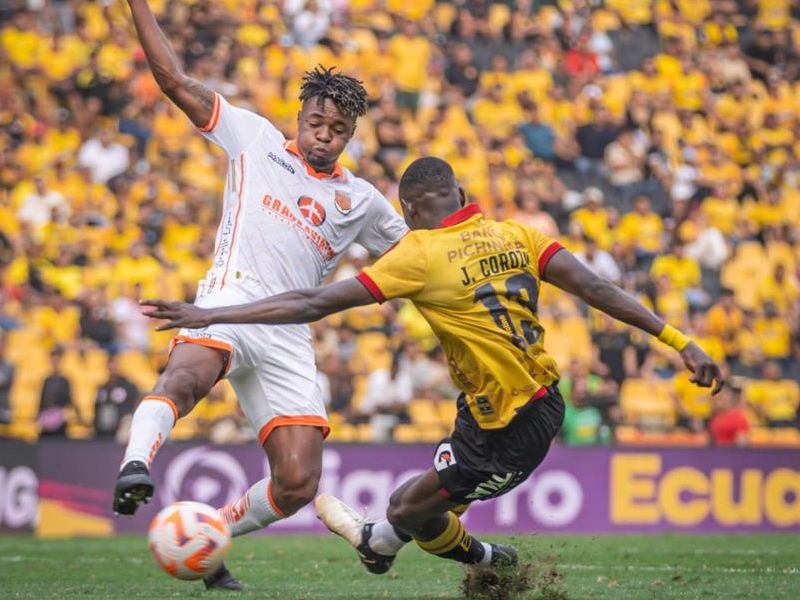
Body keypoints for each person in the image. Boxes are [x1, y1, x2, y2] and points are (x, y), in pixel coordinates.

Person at [143, 157, 723, 577]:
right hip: (496, 406)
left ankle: (475, 560)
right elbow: (597, 287)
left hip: (515, 429)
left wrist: (210, 312)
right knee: (416, 512)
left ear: (410, 210)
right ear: (461, 191)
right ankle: (396, 545)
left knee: (407, 510)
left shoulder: (419, 253)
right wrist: (679, 341)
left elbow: (313, 303)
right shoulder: (516, 233)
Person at [116, 0, 407, 590]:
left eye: (338, 132)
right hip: (227, 299)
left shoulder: (363, 201)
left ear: (351, 135)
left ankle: (212, 534)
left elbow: (419, 257)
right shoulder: (253, 138)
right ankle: (134, 466)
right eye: (316, 125)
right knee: (184, 379)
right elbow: (172, 79)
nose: (324, 138)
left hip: (288, 332)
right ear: (300, 117)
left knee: (298, 484)